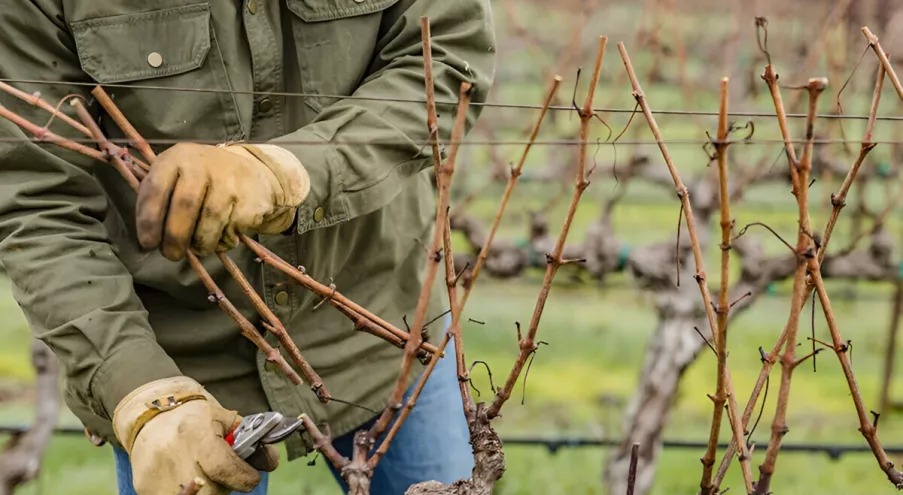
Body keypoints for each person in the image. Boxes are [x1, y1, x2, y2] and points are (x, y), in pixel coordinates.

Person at [0, 1, 496, 494]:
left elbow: (446, 56)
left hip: (387, 327)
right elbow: (38, 202)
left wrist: (291, 169)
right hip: (179, 368)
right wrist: (142, 392)